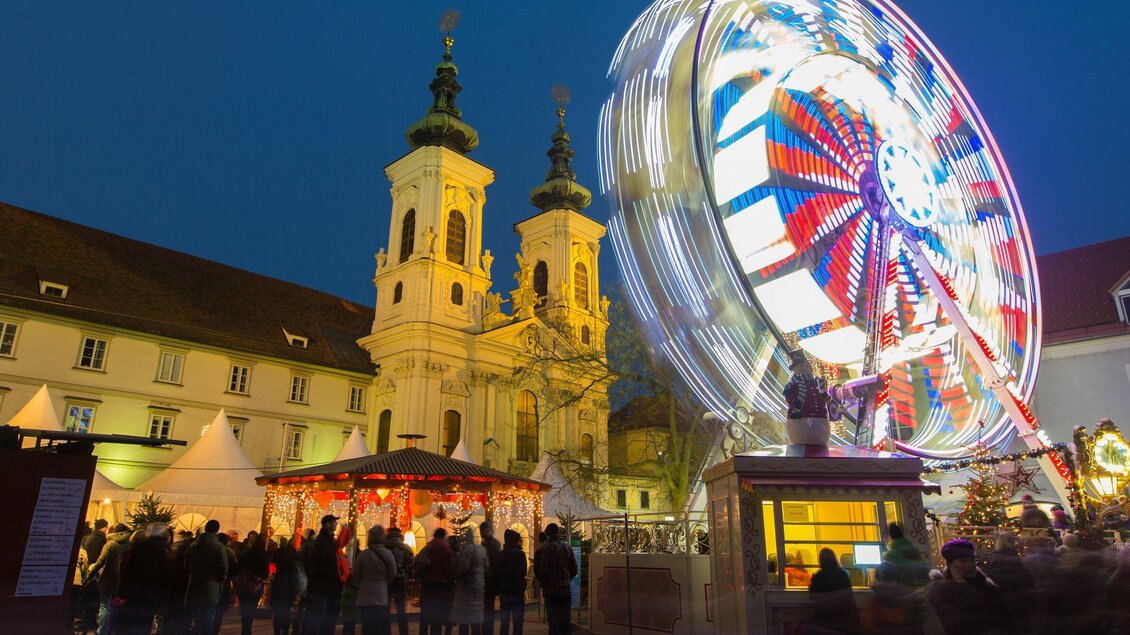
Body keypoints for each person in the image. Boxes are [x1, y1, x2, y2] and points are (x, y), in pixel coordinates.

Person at [927, 538, 1012, 635]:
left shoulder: (985, 584)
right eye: (963, 561)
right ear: (951, 565)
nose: (970, 564)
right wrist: (961, 585)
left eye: (972, 560)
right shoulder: (941, 590)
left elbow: (1004, 617)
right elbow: (955, 624)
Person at [113, 522, 172, 635]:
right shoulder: (164, 551)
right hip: (150, 597)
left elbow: (125, 571)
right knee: (143, 626)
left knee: (129, 626)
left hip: (131, 595)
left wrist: (121, 592)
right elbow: (166, 576)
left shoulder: (137, 548)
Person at [881, 523, 930, 632]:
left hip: (901, 611)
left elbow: (885, 582)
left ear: (888, 537)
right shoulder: (917, 554)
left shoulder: (890, 555)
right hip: (918, 609)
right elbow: (926, 579)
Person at [982, 532, 1035, 632]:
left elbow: (989, 584)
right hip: (1019, 607)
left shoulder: (993, 561)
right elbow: (1028, 585)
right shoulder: (1019, 562)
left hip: (1000, 608)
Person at [184, 519, 229, 635]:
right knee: (207, 618)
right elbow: (223, 567)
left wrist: (191, 575)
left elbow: (187, 564)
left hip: (194, 584)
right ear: (217, 530)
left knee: (189, 617)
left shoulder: (194, 545)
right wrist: (220, 581)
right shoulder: (219, 547)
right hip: (211, 586)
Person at [87, 522, 132, 635]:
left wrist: (90, 575)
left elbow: (100, 562)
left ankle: (101, 631)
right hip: (123, 582)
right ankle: (112, 630)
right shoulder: (130, 546)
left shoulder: (111, 545)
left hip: (108, 580)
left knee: (104, 607)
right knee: (117, 607)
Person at [534, 523, 577, 635]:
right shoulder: (568, 548)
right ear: (558, 533)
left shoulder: (546, 549)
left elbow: (543, 571)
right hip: (565, 590)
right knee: (565, 623)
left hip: (551, 591)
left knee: (553, 624)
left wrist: (544, 584)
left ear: (547, 534)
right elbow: (574, 569)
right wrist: (566, 579)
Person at [355, 525, 397, 635]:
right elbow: (392, 572)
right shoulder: (388, 554)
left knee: (367, 624)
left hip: (366, 592)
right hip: (380, 592)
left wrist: (361, 584)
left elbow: (357, 573)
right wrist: (384, 582)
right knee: (380, 624)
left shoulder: (364, 555)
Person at [306, 514, 344, 635]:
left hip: (325, 583)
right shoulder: (324, 540)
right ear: (328, 525)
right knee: (322, 613)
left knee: (322, 613)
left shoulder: (327, 539)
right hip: (324, 584)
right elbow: (323, 561)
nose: (336, 524)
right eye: (334, 522)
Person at [807, 548, 860, 635]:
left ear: (821, 560)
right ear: (834, 559)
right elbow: (849, 595)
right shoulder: (843, 574)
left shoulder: (818, 577)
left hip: (824, 618)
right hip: (843, 617)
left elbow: (812, 596)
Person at [418, 527, 455, 635]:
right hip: (440, 585)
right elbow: (449, 570)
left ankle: (423, 632)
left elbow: (418, 560)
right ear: (444, 536)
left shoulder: (428, 547)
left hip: (426, 583)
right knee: (437, 612)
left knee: (424, 612)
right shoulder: (447, 550)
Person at [156, 530, 194, 634]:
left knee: (166, 616)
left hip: (169, 589)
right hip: (183, 589)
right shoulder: (189, 552)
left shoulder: (169, 550)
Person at [453, 526, 488, 635]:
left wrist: (457, 576)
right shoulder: (482, 550)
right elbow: (487, 567)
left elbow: (463, 568)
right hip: (478, 587)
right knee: (475, 618)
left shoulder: (465, 550)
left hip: (466, 588)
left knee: (464, 619)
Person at [235, 533, 270, 635]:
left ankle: (245, 628)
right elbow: (265, 572)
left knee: (244, 607)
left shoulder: (246, 553)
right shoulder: (263, 555)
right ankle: (247, 628)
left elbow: (238, 568)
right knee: (252, 607)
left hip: (244, 583)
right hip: (256, 584)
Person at [495, 529, 527, 635]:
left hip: (504, 591)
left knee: (504, 623)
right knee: (518, 624)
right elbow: (522, 572)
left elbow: (496, 573)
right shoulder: (520, 554)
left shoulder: (500, 555)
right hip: (517, 592)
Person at [385, 527, 414, 635]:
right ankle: (403, 631)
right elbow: (411, 562)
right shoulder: (405, 547)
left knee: (386, 608)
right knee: (401, 608)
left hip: (387, 580)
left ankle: (386, 631)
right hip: (400, 579)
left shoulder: (384, 546)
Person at [270, 536, 299, 635]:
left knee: (278, 611)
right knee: (286, 611)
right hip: (289, 585)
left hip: (278, 583)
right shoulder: (293, 553)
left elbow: (274, 563)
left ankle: (277, 631)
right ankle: (285, 631)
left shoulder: (278, 552)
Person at [479, 522, 501, 635]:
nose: (480, 533)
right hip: (490, 580)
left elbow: (492, 563)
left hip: (488, 580)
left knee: (487, 607)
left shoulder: (488, 544)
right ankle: (487, 630)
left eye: (481, 531)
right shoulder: (493, 543)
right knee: (488, 607)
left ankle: (486, 630)